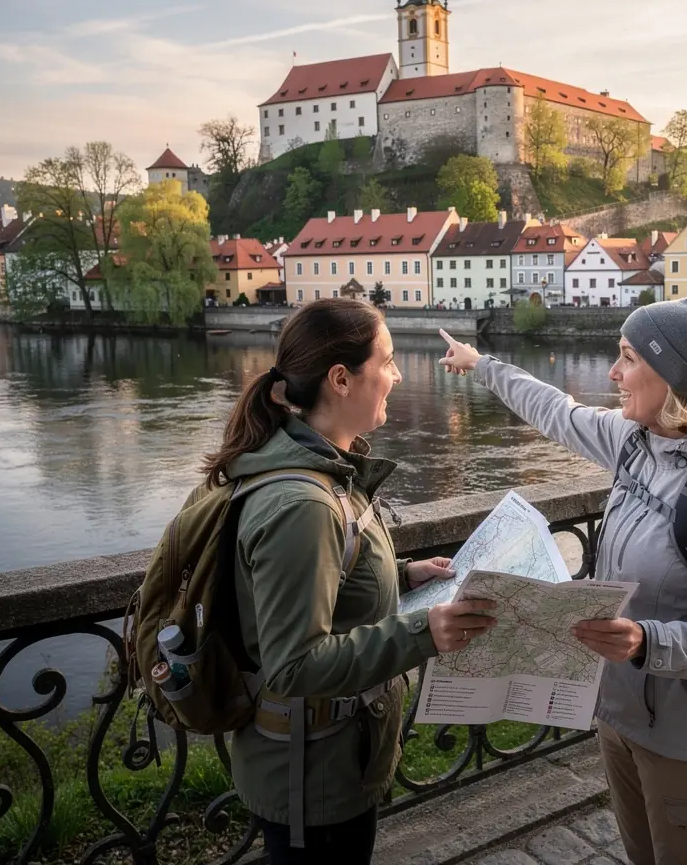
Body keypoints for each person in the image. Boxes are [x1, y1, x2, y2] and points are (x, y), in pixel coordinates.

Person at [438, 297, 687, 865]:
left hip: (684, 738)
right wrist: (483, 364)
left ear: (669, 374)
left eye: (626, 358)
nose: (613, 374)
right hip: (618, 718)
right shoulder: (635, 441)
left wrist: (647, 642)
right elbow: (553, 408)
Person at [203, 299, 495, 864]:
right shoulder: (302, 504)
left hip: (326, 758)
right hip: (311, 776)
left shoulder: (321, 465)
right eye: (387, 361)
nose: (398, 374)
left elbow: (328, 583)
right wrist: (423, 632)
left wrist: (405, 580)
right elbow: (294, 664)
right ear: (341, 379)